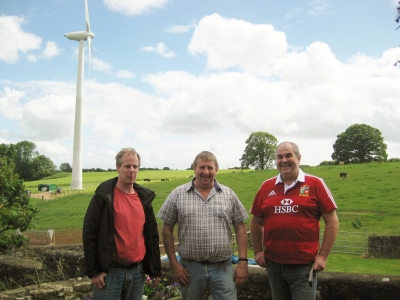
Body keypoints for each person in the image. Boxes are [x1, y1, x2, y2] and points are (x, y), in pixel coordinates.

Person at [250, 141, 339, 300]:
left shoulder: (315, 183)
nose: (284, 160)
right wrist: (257, 251)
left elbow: (332, 221)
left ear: (298, 158)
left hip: (303, 266)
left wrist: (323, 256)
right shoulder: (266, 186)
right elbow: (256, 221)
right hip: (273, 265)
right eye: (279, 157)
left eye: (288, 155)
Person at [158, 151, 249, 300]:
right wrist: (174, 263)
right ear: (194, 168)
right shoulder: (177, 194)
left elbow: (240, 228)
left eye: (210, 168)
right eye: (202, 167)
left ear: (216, 170)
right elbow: (166, 229)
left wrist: (243, 262)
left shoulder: (229, 194)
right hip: (190, 268)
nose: (206, 172)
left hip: (223, 268)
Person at [83, 148, 161, 300]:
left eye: (135, 166)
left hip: (137, 272)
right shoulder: (103, 198)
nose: (131, 170)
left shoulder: (144, 199)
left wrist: (155, 269)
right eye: (127, 166)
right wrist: (94, 271)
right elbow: (89, 235)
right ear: (118, 167)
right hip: (110, 273)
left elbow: (152, 237)